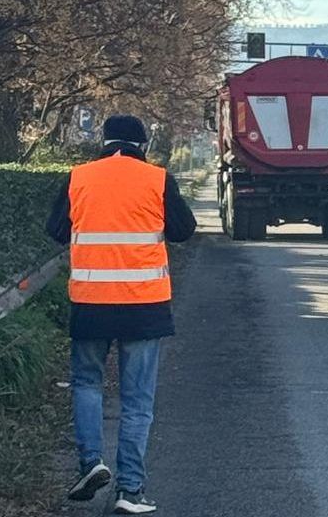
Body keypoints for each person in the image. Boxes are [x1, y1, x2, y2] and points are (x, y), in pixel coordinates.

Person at [46, 115, 196, 514]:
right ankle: (130, 490)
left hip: (91, 303)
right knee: (137, 401)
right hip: (144, 305)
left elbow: (56, 230)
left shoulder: (79, 177)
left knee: (87, 383)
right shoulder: (157, 179)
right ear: (142, 146)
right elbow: (184, 230)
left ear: (103, 140)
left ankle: (91, 463)